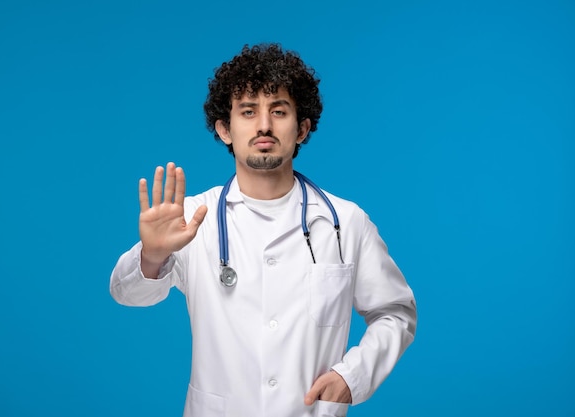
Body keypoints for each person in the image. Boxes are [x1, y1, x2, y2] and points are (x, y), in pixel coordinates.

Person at [110, 43, 417, 417]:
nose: (264, 125)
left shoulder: (346, 222)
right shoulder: (192, 219)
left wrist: (352, 377)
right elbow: (128, 295)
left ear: (302, 128)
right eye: (248, 111)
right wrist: (152, 256)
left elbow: (396, 313)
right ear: (225, 129)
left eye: (279, 111)